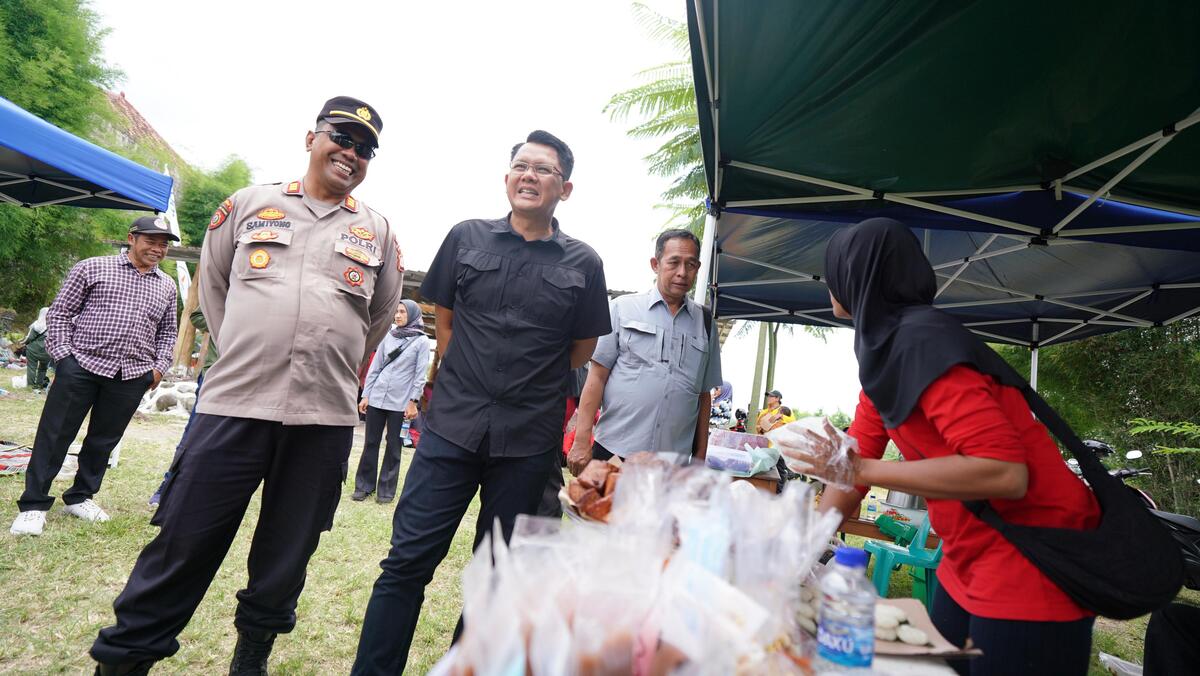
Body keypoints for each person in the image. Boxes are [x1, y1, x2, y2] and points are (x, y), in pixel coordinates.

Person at [91, 96, 403, 675]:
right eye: (342, 137)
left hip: (322, 420)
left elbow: (376, 319)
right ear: (311, 137)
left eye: (366, 149)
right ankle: (125, 660)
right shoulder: (248, 205)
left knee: (287, 556)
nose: (352, 153)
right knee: (183, 543)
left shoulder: (378, 230)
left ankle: (252, 655)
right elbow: (213, 293)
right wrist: (253, 348)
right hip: (235, 405)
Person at [777, 218, 1101, 675]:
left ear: (859, 277)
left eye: (835, 271)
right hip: (966, 555)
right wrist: (797, 555)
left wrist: (863, 470)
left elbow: (1004, 472)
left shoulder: (925, 342)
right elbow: (850, 469)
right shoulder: (885, 354)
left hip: (1034, 560)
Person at [353, 130, 610, 674]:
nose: (530, 176)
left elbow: (581, 349)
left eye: (543, 170)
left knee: (496, 576)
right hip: (451, 427)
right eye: (521, 165)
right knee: (407, 562)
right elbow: (442, 319)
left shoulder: (583, 263)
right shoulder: (467, 238)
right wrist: (468, 371)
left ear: (565, 188)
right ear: (507, 177)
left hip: (527, 440)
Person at [10, 217, 178, 537]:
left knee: (104, 440)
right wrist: (64, 358)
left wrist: (158, 367)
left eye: (164, 244)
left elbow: (168, 332)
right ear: (131, 238)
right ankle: (33, 505)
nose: (157, 249)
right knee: (55, 434)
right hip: (82, 365)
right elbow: (60, 313)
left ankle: (81, 496)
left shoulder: (166, 286)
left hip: (131, 374)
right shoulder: (92, 267)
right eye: (151, 241)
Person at [568, 229, 722, 472]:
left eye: (691, 264)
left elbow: (703, 395)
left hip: (672, 465)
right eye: (674, 262)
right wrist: (580, 440)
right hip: (615, 453)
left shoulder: (704, 323)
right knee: (606, 511)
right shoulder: (621, 309)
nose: (682, 272)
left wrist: (700, 458)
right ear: (655, 264)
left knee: (661, 513)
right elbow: (596, 377)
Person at [353, 299, 431, 503]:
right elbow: (375, 367)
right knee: (370, 442)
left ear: (412, 315)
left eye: (403, 312)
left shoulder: (421, 341)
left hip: (401, 402)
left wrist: (413, 401)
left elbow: (420, 374)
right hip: (378, 397)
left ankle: (386, 491)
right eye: (396, 312)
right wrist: (366, 395)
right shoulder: (389, 336)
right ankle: (363, 486)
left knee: (394, 445)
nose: (397, 316)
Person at [149, 307, 218, 507]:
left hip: (261, 378)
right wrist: (230, 321)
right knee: (194, 434)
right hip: (217, 373)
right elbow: (197, 315)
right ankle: (168, 487)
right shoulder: (233, 281)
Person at [21, 307, 51, 391]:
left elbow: (30, 338)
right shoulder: (54, 326)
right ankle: (39, 385)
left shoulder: (37, 324)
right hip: (47, 351)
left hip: (33, 350)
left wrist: (23, 342)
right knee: (43, 369)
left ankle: (30, 386)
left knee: (31, 367)